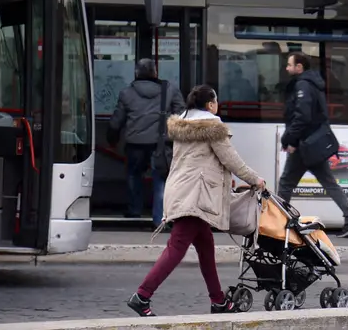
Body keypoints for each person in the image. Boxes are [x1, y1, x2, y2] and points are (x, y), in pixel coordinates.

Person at [126, 84, 265, 316]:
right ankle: (142, 295)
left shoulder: (183, 125)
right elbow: (231, 160)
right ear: (210, 104)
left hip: (183, 190)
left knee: (206, 248)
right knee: (176, 249)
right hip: (195, 196)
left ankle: (218, 301)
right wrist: (255, 179)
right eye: (216, 102)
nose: (217, 105)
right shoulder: (212, 126)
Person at [278, 52, 348, 238]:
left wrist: (290, 139)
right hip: (313, 143)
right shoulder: (313, 83)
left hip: (303, 145)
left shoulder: (303, 85)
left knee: (286, 183)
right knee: (329, 182)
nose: (287, 68)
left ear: (299, 67)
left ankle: (279, 221)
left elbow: (302, 116)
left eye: (289, 65)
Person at [107, 58, 185, 225]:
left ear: (136, 73)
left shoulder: (126, 93)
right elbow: (181, 113)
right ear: (155, 72)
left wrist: (111, 139)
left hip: (134, 143)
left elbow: (116, 121)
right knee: (160, 179)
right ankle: (159, 219)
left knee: (134, 175)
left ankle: (135, 210)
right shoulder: (169, 90)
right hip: (161, 144)